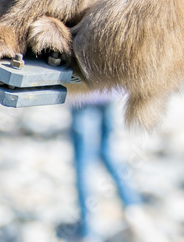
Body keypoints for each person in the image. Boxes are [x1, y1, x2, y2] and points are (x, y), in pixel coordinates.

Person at [68, 91, 159, 242]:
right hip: (108, 88)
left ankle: (88, 228)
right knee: (109, 151)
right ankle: (134, 209)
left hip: (82, 93)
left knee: (83, 161)